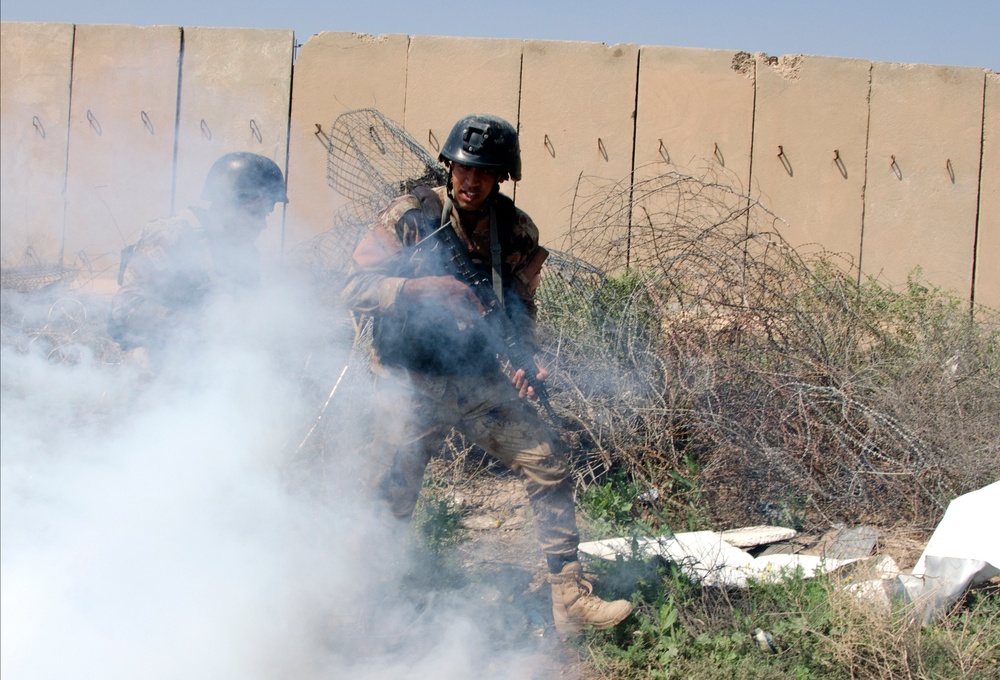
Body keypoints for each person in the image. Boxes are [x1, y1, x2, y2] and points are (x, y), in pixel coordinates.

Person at [342, 114, 633, 636]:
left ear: (502, 176)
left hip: (477, 379)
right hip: (409, 380)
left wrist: (528, 359)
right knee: (390, 494)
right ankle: (364, 609)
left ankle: (569, 601)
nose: (470, 182)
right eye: (463, 169)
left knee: (547, 462)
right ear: (449, 166)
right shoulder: (410, 216)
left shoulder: (516, 231)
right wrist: (419, 290)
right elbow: (351, 287)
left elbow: (520, 312)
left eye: (484, 172)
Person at [108, 152, 288, 354]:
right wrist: (195, 325)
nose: (261, 224)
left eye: (265, 215)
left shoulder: (245, 254)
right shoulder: (176, 235)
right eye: (254, 212)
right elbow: (126, 306)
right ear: (224, 204)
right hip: (153, 363)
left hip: (207, 365)